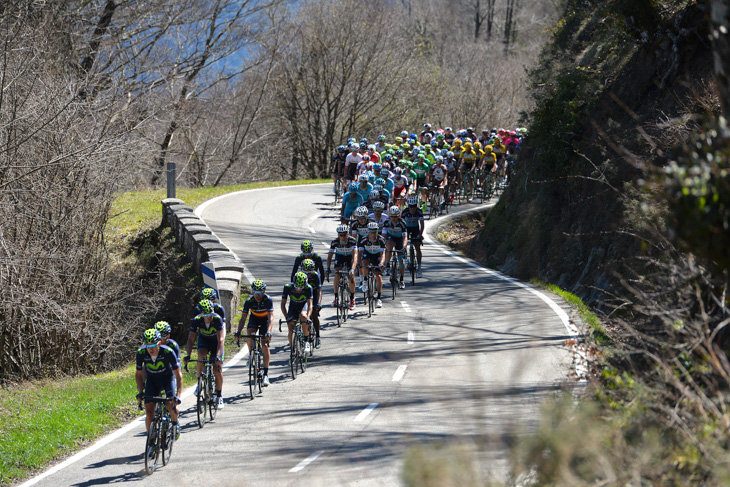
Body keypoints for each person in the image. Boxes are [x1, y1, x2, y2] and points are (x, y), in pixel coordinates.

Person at [136, 329, 182, 447]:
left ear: (159, 343)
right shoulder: (141, 353)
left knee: (170, 404)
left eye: (153, 345)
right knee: (149, 411)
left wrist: (178, 395)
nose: (150, 349)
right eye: (147, 345)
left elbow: (178, 374)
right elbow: (139, 374)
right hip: (153, 380)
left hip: (168, 379)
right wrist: (141, 392)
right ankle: (151, 441)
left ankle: (175, 423)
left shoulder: (168, 352)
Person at [183, 300, 225, 409]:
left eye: (210, 313)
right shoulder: (196, 320)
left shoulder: (217, 319)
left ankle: (219, 396)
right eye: (206, 315)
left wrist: (218, 356)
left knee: (216, 368)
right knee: (201, 355)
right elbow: (190, 339)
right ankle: (199, 381)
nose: (209, 316)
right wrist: (188, 354)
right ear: (201, 314)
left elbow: (221, 339)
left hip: (216, 342)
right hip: (204, 340)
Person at [234, 279, 274, 386]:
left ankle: (265, 375)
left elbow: (271, 318)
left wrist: (269, 331)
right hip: (254, 319)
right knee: (250, 335)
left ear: (264, 292)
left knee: (264, 345)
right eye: (255, 291)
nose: (257, 294)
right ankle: (251, 353)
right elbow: (243, 318)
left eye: (260, 292)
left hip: (265, 320)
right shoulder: (249, 301)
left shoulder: (268, 300)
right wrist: (238, 332)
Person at [325, 223, 358, 310]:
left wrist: (353, 269)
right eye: (341, 235)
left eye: (345, 234)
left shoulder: (352, 241)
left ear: (348, 234)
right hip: (340, 257)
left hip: (349, 257)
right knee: (337, 273)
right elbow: (329, 257)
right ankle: (336, 298)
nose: (343, 237)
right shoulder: (335, 242)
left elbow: (355, 256)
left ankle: (352, 299)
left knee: (351, 275)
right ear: (338, 235)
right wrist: (327, 269)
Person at [281, 272, 314, 353]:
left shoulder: (308, 288)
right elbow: (282, 304)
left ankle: (306, 342)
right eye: (296, 287)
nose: (298, 290)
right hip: (293, 306)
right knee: (290, 326)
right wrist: (286, 316)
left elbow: (310, 305)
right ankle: (292, 350)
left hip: (303, 305)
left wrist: (308, 317)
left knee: (303, 317)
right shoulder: (287, 287)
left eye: (301, 287)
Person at [358, 221, 386, 308]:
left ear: (377, 232)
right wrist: (359, 264)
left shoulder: (381, 240)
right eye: (371, 232)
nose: (373, 234)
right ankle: (365, 281)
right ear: (368, 232)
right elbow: (359, 254)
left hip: (377, 256)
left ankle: (379, 298)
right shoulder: (364, 240)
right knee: (364, 263)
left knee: (378, 276)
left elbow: (383, 254)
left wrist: (381, 263)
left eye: (374, 232)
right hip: (368, 255)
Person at [382, 205, 408, 289]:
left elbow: (405, 237)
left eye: (395, 217)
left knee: (401, 260)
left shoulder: (402, 223)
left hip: (400, 239)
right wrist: (383, 245)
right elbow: (383, 235)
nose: (393, 219)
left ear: (399, 215)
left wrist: (404, 247)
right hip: (391, 238)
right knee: (388, 245)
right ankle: (388, 265)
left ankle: (401, 279)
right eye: (392, 216)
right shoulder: (386, 222)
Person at [401, 196, 425, 277]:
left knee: (417, 247)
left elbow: (422, 223)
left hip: (415, 229)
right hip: (406, 228)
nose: (413, 208)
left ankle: (419, 268)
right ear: (408, 206)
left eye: (414, 206)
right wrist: (403, 235)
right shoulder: (405, 212)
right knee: (403, 243)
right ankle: (404, 257)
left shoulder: (419, 211)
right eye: (411, 206)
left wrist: (420, 234)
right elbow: (401, 224)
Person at [301, 259, 323, 348]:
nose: (307, 274)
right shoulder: (300, 276)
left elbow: (319, 291)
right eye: (305, 271)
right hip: (303, 295)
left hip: (313, 295)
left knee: (314, 314)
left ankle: (318, 336)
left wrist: (318, 303)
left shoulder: (316, 276)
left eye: (309, 272)